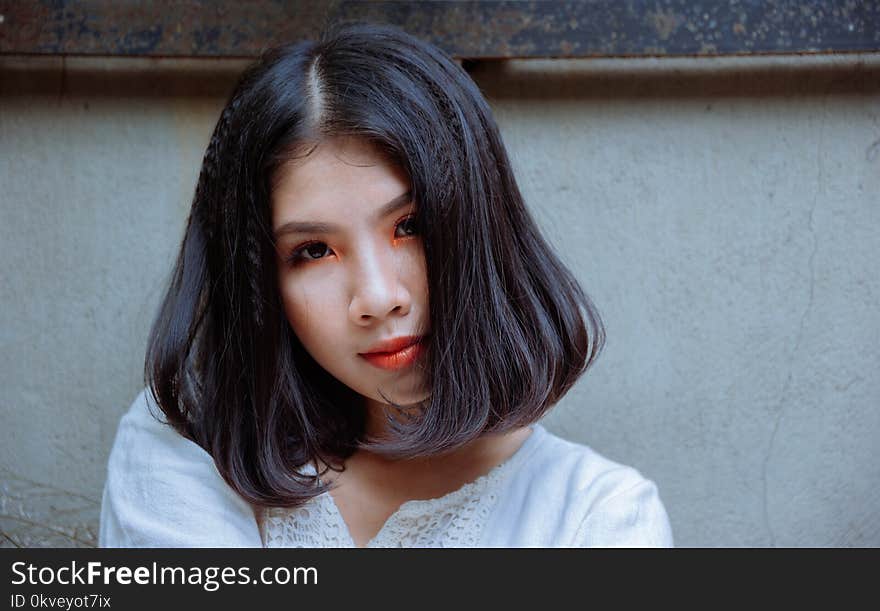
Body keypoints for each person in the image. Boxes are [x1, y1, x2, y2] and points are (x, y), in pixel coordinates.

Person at [99, 22, 673, 548]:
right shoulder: (186, 444)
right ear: (261, 283)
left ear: (480, 223)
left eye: (411, 226)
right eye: (313, 251)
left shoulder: (597, 518)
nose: (376, 298)